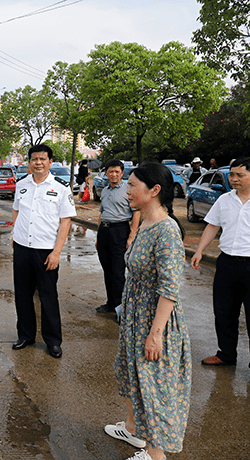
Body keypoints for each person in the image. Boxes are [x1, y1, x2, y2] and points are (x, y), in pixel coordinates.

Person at [104, 162, 191, 460]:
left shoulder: (167, 231)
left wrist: (155, 335)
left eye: (132, 186)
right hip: (135, 315)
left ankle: (155, 456)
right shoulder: (144, 222)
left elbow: (169, 289)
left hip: (154, 321)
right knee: (132, 377)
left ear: (154, 190)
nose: (127, 191)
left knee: (154, 389)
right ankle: (133, 429)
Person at [10, 144, 76, 358]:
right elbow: (16, 210)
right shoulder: (21, 185)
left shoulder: (60, 187)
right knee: (22, 295)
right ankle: (26, 336)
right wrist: (14, 235)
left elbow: (66, 221)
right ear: (29, 162)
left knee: (48, 296)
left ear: (50, 162)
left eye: (42, 159)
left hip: (46, 251)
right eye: (34, 159)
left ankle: (53, 341)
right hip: (22, 248)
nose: (38, 162)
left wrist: (57, 252)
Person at [191, 157, 250, 367]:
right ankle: (226, 354)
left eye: (239, 175)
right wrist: (199, 251)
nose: (234, 179)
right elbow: (212, 226)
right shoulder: (224, 199)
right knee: (224, 311)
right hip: (226, 264)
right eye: (232, 175)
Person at [95, 159, 141, 314]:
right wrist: (98, 236)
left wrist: (131, 235)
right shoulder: (105, 190)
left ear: (122, 173)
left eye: (117, 171)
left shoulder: (128, 189)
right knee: (107, 270)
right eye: (110, 171)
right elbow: (102, 213)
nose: (113, 174)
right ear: (106, 173)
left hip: (120, 231)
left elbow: (136, 212)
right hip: (104, 231)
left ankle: (121, 309)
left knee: (117, 272)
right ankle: (111, 304)